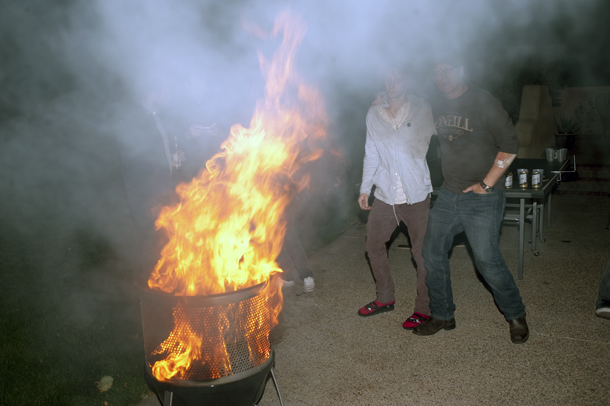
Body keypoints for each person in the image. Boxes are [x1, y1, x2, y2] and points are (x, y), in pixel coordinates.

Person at [412, 55, 529, 344]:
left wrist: (487, 184)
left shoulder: (483, 101)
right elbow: (411, 112)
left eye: (448, 70)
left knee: (487, 260)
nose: (443, 77)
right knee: (431, 252)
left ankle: (516, 315)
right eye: (437, 71)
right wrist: (383, 101)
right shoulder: (436, 103)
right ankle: (442, 314)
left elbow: (511, 144)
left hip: (482, 197)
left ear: (461, 71)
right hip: (449, 193)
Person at [357, 67, 437, 330]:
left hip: (416, 194)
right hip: (385, 194)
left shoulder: (423, 109)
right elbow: (371, 153)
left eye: (398, 78)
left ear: (408, 81)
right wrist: (365, 188)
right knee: (373, 246)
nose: (392, 83)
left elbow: (449, 130)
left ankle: (424, 308)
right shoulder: (374, 113)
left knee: (421, 254)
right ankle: (385, 298)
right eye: (388, 79)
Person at [115, 78, 184, 282]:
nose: (169, 94)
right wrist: (151, 200)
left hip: (161, 190)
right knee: (152, 244)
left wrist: (172, 159)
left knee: (167, 242)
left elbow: (154, 153)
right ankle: (152, 292)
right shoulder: (133, 118)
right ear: (153, 91)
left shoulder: (154, 115)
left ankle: (169, 287)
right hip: (147, 195)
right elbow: (135, 165)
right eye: (166, 89)